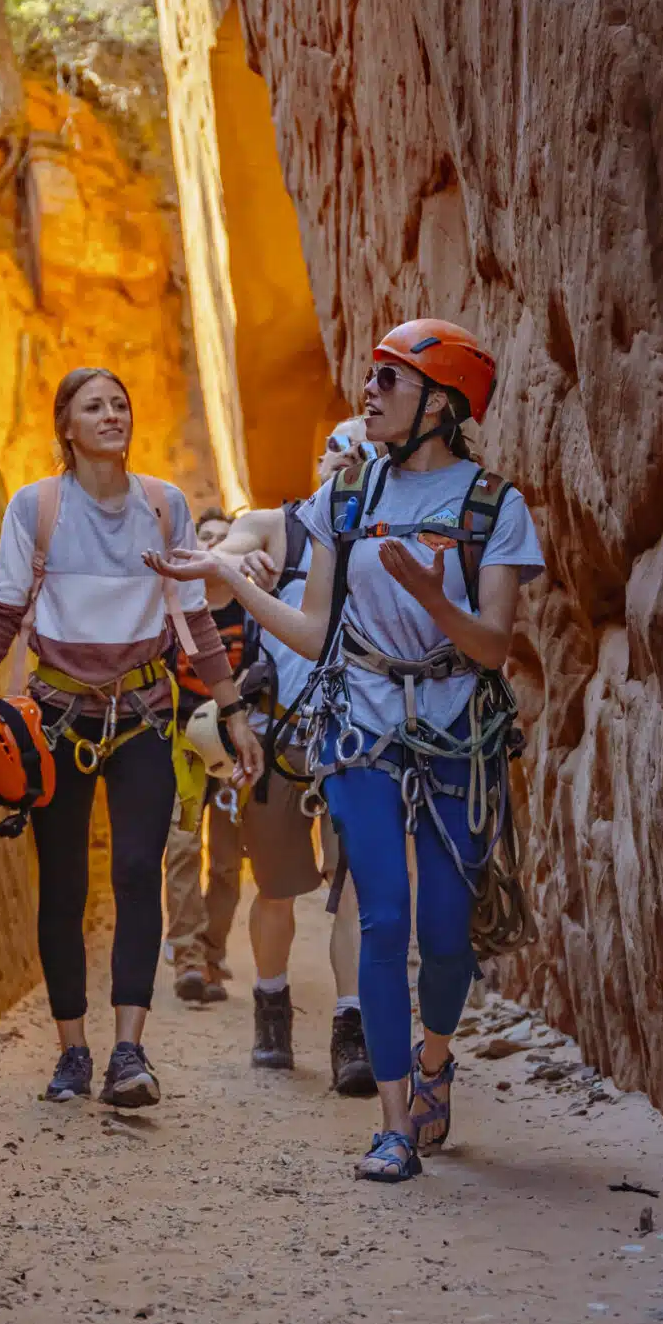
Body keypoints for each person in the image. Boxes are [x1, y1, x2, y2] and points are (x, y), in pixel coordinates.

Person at [149, 322, 541, 1181]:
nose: (369, 393)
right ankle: (396, 1124)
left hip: (454, 730)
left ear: (441, 404)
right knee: (383, 915)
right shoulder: (348, 498)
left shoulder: (491, 507)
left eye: (389, 381)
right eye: (371, 378)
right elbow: (317, 628)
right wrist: (235, 583)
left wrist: (435, 600)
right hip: (361, 724)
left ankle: (436, 1058)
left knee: (444, 934)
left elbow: (492, 648)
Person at [0, 368, 263, 1108]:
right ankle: (71, 1052)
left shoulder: (164, 506)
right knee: (62, 885)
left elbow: (195, 621)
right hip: (56, 718)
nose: (112, 414)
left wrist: (234, 709)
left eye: (120, 403)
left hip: (144, 715)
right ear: (67, 425)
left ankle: (128, 1050)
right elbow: (1, 612)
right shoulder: (38, 509)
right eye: (95, 406)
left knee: (134, 870)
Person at [209, 420, 377, 1090]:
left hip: (357, 735)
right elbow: (216, 569)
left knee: (358, 889)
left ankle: (351, 1026)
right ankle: (271, 1002)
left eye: (367, 451)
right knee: (276, 889)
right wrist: (231, 563)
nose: (349, 457)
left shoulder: (382, 540)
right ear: (320, 457)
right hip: (281, 735)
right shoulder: (276, 528)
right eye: (340, 445)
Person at [163, 511, 249, 1004]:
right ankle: (188, 959)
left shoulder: (250, 610)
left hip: (236, 750)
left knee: (225, 861)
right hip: (185, 748)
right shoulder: (175, 610)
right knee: (181, 848)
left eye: (224, 539)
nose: (215, 546)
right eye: (207, 537)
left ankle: (212, 955)